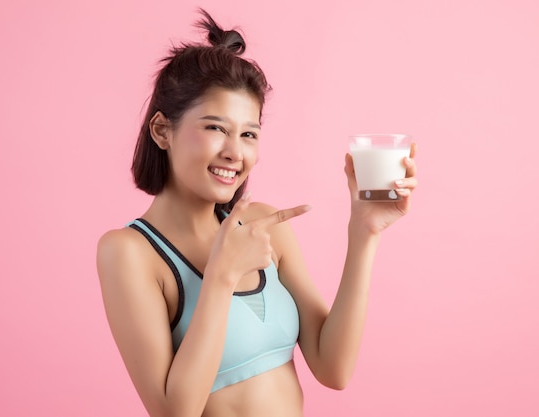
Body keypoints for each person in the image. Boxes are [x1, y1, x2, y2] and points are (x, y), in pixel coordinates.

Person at [96, 9, 418, 417]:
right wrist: (221, 277)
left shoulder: (265, 227)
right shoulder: (129, 253)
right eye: (215, 128)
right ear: (162, 130)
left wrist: (365, 232)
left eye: (249, 133)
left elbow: (333, 368)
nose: (235, 151)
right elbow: (173, 413)